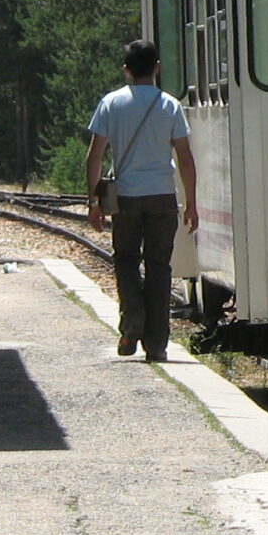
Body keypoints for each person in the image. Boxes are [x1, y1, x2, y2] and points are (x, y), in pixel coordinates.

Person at [84, 40, 197, 363]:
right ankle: (157, 344)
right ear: (157, 67)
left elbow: (94, 156)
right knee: (160, 267)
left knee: (126, 261)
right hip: (162, 196)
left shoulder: (111, 103)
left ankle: (133, 321)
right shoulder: (170, 105)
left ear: (127, 70)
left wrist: (94, 201)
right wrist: (191, 202)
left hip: (127, 199)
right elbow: (185, 158)